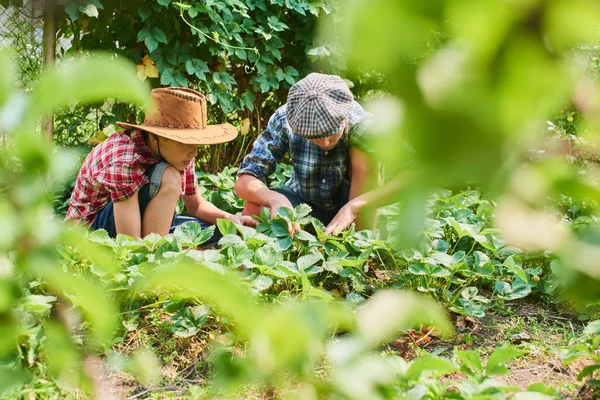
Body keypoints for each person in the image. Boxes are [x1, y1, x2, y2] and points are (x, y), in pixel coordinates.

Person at [66, 87, 256, 242]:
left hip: (141, 227)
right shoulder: (124, 158)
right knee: (169, 177)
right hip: (90, 234)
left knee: (219, 232)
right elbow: (128, 242)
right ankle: (156, 262)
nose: (195, 151)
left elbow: (195, 206)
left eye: (197, 142)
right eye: (186, 142)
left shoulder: (181, 154)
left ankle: (162, 252)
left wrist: (231, 219)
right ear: (157, 136)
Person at [234, 73, 377, 234]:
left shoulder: (362, 124)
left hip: (351, 204)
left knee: (364, 157)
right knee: (255, 206)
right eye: (314, 138)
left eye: (331, 134)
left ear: (344, 119)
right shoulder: (285, 119)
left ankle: (359, 242)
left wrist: (354, 206)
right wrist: (273, 199)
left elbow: (410, 174)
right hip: (303, 203)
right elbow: (244, 181)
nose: (325, 143)